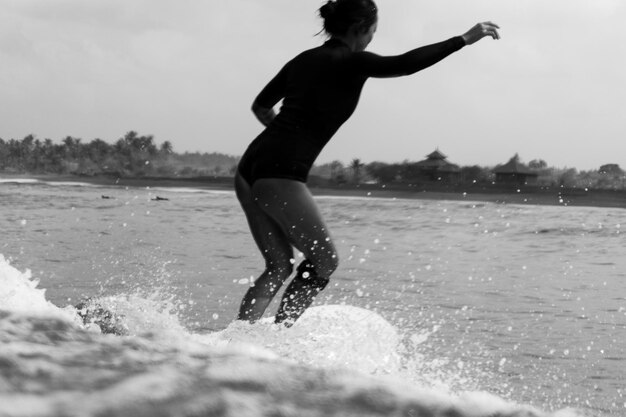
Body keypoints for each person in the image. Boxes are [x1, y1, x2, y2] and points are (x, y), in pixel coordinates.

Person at [235, 0, 500, 326]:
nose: (374, 35)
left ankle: (235, 342)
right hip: (281, 173)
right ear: (361, 29)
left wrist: (284, 140)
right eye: (374, 29)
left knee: (278, 266)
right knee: (324, 262)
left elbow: (262, 107)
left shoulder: (302, 60)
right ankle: (279, 336)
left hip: (250, 166)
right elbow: (405, 64)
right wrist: (463, 39)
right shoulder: (352, 62)